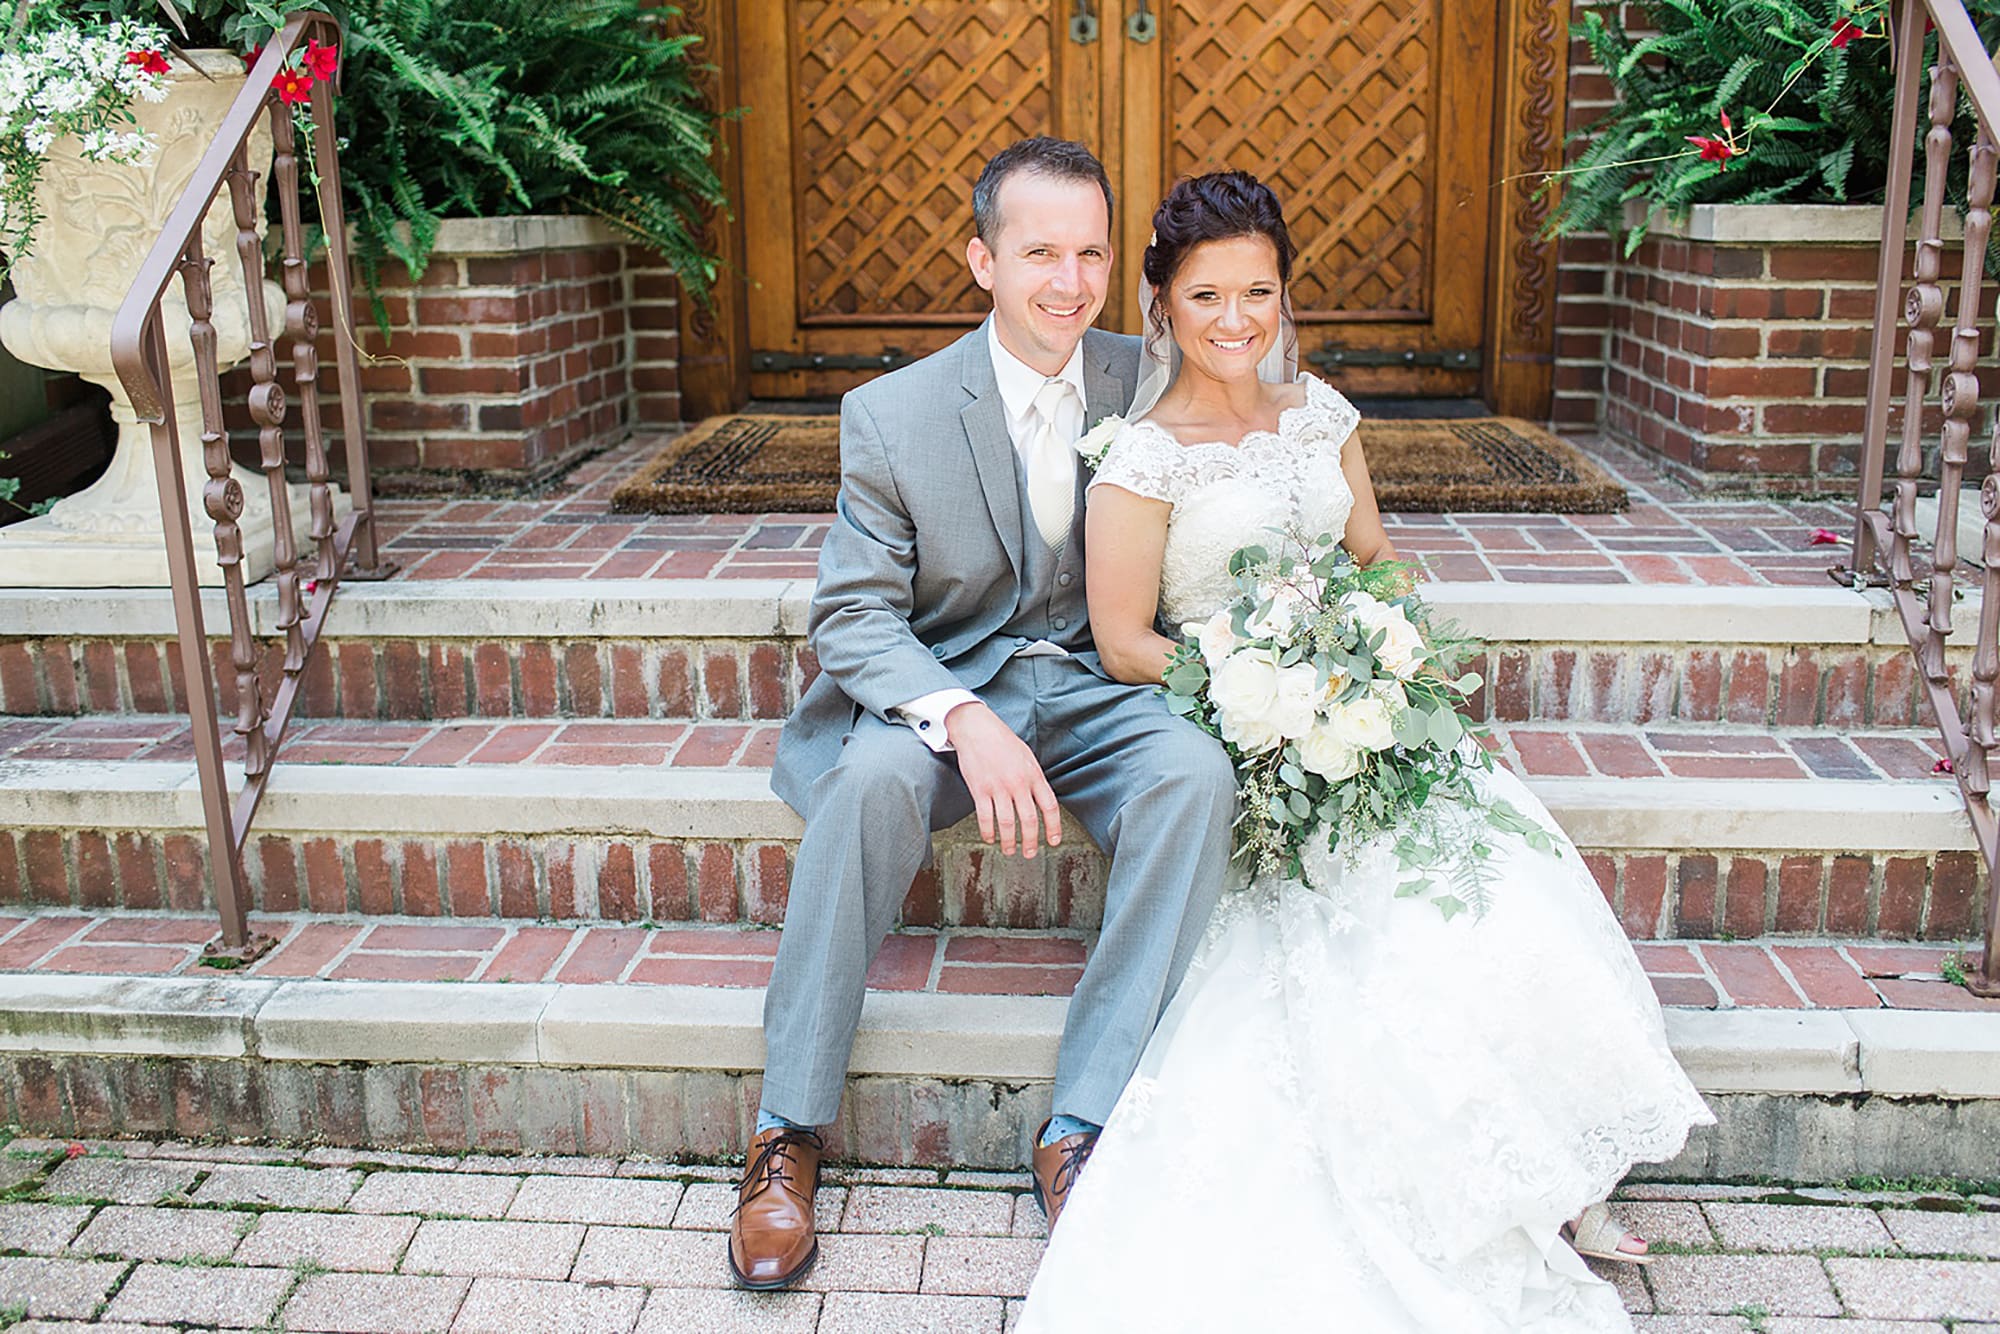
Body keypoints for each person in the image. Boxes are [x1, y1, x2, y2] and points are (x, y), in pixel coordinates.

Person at [1015, 170, 1714, 1333]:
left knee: (1491, 870)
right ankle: (1477, 1188)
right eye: (1205, 297)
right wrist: (1254, 694)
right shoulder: (1140, 457)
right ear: (1160, 303)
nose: (1236, 320)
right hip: (1253, 738)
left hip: (1361, 715)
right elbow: (1125, 639)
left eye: (1258, 292)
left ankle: (1541, 1169)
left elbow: (1374, 556)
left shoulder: (1322, 415)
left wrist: (1383, 654)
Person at [730, 137, 1239, 1291]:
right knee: (864, 784)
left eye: (1091, 253)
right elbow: (852, 617)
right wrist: (960, 715)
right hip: (953, 682)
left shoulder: (1149, 377)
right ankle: (785, 1130)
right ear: (981, 259)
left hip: (1106, 684)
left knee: (1194, 778)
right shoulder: (894, 414)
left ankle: (1083, 1119)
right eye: (1039, 252)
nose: (1069, 281)